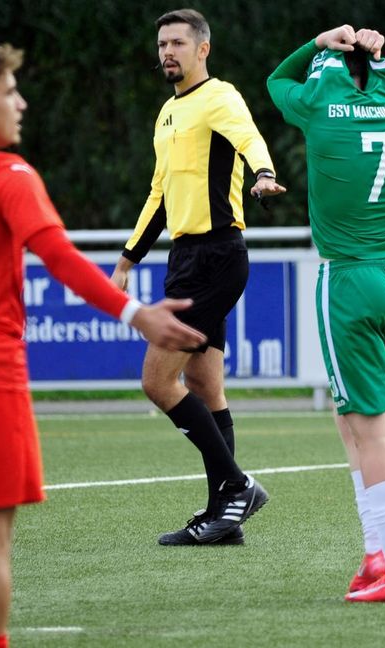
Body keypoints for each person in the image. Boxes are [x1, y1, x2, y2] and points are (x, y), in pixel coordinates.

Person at [0, 44, 206, 648]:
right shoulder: (7, 176)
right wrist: (134, 313)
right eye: (9, 92)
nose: (19, 103)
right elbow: (61, 260)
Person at [110, 8, 283, 546]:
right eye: (162, 43)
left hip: (216, 257)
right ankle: (223, 517)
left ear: (202, 49)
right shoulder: (166, 113)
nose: (168, 51)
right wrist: (126, 260)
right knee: (205, 385)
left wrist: (266, 173)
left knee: (157, 382)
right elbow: (159, 196)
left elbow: (251, 138)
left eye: (178, 43)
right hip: (185, 258)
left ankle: (237, 487)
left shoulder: (221, 97)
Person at [267, 26, 385, 602]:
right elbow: (384, 71)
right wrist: (371, 52)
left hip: (350, 280)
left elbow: (276, 78)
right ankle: (377, 552)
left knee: (372, 431)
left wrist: (316, 44)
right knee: (351, 419)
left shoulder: (316, 105)